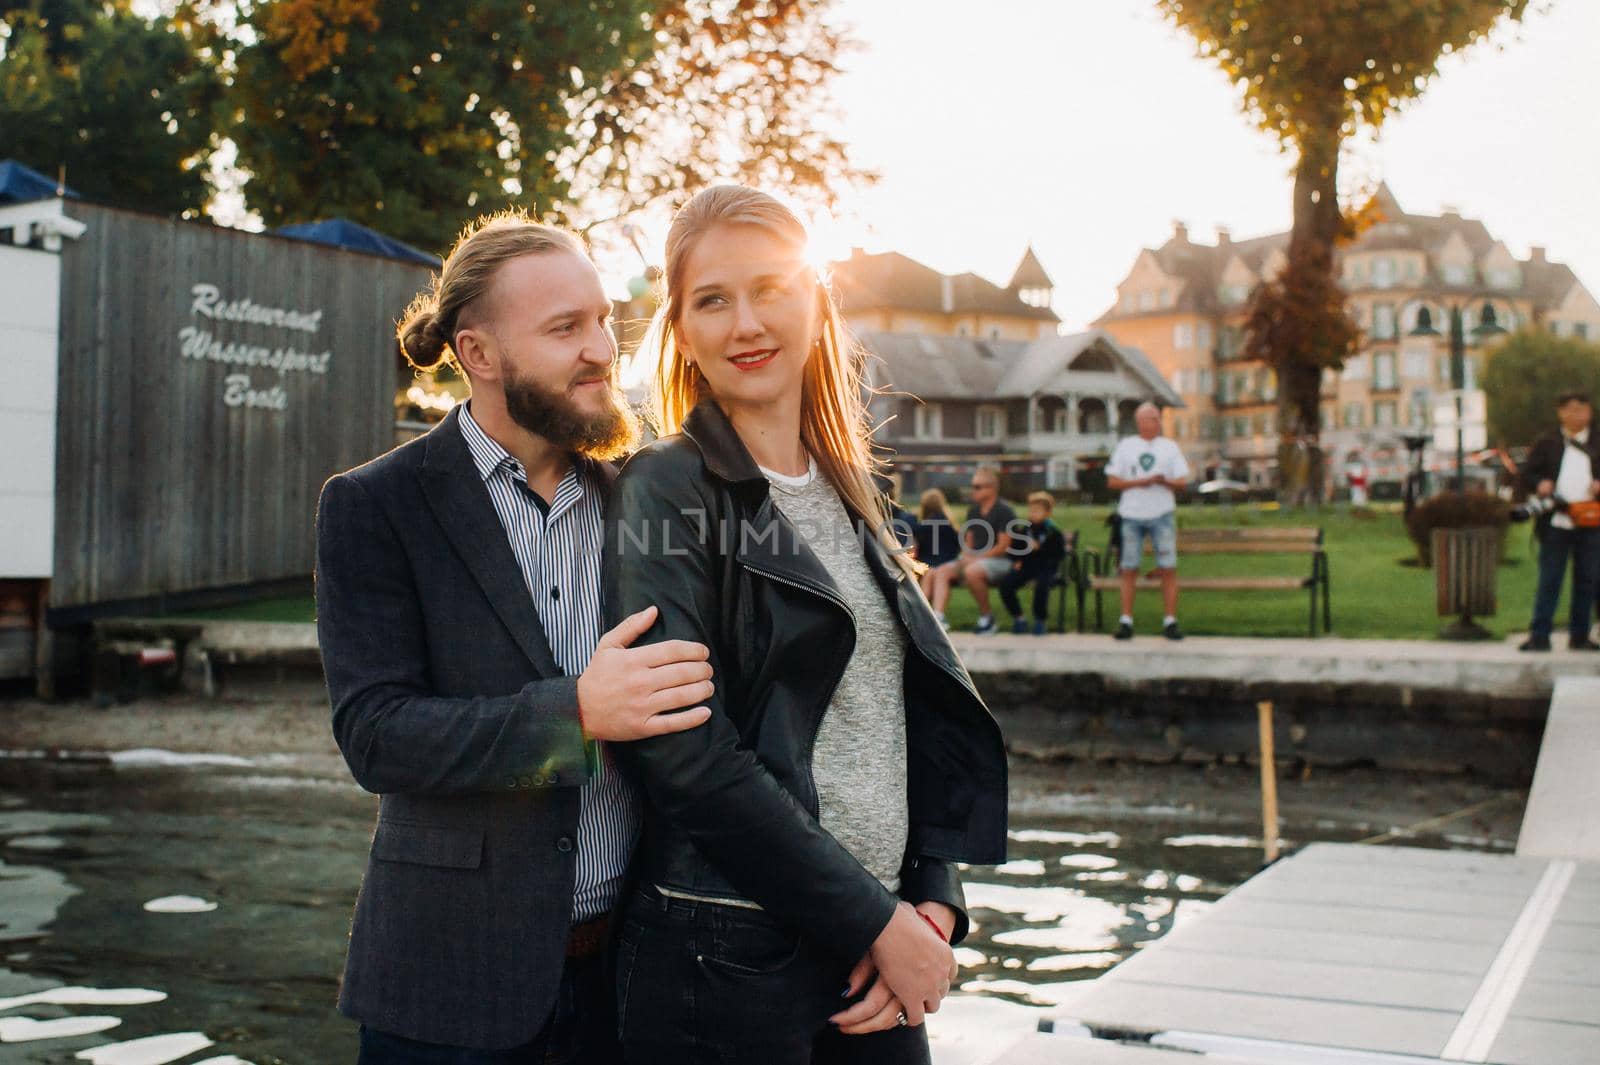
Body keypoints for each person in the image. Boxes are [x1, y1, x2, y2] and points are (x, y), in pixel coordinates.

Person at [601, 185, 1008, 1065]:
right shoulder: (665, 486)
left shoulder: (850, 487)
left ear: (817, 298)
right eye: (712, 300)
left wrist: (934, 897)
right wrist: (874, 918)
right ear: (683, 328)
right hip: (727, 955)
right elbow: (682, 748)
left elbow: (902, 714)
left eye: (769, 288)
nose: (745, 322)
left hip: (879, 952)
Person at [314, 212, 716, 1064]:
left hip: (630, 981)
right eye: (566, 328)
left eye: (604, 319)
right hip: (445, 991)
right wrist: (575, 715)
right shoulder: (374, 504)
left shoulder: (641, 501)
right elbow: (377, 735)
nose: (603, 349)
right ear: (480, 353)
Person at [1518, 391, 1600, 652]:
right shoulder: (1548, 442)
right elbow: (1527, 472)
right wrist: (1540, 483)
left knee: (1587, 579)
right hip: (1557, 520)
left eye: (1583, 409)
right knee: (1550, 577)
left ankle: (1580, 634)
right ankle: (1540, 634)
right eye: (1573, 409)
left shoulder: (1597, 441)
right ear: (1561, 412)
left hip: (1590, 519)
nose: (1579, 415)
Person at [1106, 402, 1190, 641]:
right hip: (1132, 514)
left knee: (1168, 566)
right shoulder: (1126, 446)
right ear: (1140, 422)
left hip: (1161, 513)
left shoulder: (1169, 447)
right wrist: (1138, 483)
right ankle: (1126, 620)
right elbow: (1112, 481)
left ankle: (1170, 620)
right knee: (1129, 567)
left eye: (1156, 418)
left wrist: (1164, 482)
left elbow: (1182, 482)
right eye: (1150, 418)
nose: (1155, 423)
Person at [927, 467, 1016, 634]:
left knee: (972, 572)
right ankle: (938, 619)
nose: (973, 490)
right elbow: (968, 541)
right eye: (973, 486)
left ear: (992, 488)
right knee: (942, 571)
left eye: (977, 487)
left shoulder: (1005, 511)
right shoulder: (973, 511)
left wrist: (976, 558)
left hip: (1001, 561)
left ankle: (987, 618)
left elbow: (1003, 546)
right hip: (976, 560)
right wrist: (966, 556)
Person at [998, 490, 1067, 635]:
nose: (1032, 514)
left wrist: (1040, 548)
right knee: (1006, 584)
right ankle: (1019, 617)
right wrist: (1017, 560)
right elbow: (1015, 549)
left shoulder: (1053, 532)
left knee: (1042, 585)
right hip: (1027, 566)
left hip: (1046, 567)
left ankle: (1040, 619)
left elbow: (1058, 554)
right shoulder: (1025, 530)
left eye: (1037, 511)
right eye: (1031, 510)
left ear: (1047, 513)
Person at [912, 488, 961, 615]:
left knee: (930, 574)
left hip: (927, 565)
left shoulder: (920, 527)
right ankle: (938, 615)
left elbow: (916, 550)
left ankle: (921, 613)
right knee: (935, 574)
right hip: (946, 563)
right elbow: (958, 546)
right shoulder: (950, 526)